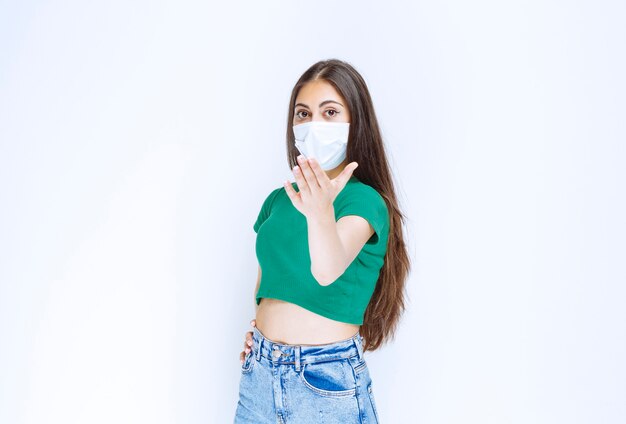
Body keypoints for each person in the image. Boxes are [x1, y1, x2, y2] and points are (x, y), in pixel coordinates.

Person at [233, 59, 411, 423]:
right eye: (303, 113)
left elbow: (328, 268)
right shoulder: (279, 199)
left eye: (330, 112)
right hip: (260, 375)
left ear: (355, 122)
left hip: (325, 380)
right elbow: (267, 277)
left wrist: (320, 213)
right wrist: (260, 330)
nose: (314, 124)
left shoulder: (364, 201)